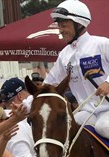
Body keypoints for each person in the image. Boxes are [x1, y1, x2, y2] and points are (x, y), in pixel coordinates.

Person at [43, 0, 109, 139]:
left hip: (107, 110)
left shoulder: (102, 44)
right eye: (59, 26)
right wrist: (26, 105)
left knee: (103, 126)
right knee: (65, 128)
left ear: (79, 24)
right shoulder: (64, 55)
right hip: (87, 112)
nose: (60, 30)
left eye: (64, 25)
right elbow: (49, 84)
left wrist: (108, 82)